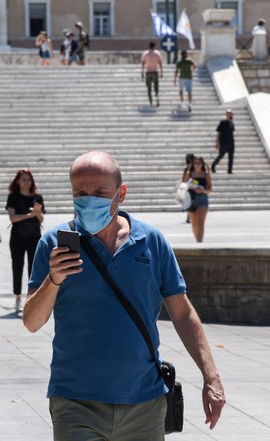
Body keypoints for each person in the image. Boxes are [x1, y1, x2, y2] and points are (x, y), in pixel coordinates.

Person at [23, 151, 225, 439]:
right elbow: (31, 321)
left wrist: (211, 377)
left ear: (121, 193)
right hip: (76, 403)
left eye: (99, 192)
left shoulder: (151, 241)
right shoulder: (53, 244)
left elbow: (182, 313)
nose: (88, 199)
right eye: (80, 192)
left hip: (144, 402)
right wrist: (53, 279)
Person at [5, 169, 45, 314]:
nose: (26, 182)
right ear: (17, 181)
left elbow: (41, 219)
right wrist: (30, 215)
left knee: (33, 267)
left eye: (28, 179)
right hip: (18, 236)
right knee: (17, 265)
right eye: (23, 179)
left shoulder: (37, 197)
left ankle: (32, 297)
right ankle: (17, 298)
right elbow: (12, 218)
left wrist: (37, 213)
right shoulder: (13, 197)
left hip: (34, 236)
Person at [183, 156, 212, 243]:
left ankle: (200, 242)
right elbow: (184, 183)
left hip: (202, 199)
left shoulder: (206, 174)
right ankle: (197, 241)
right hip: (191, 199)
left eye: (199, 163)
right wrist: (188, 170)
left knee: (200, 223)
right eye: (195, 163)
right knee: (194, 224)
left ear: (202, 164)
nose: (197, 165)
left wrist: (203, 190)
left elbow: (210, 189)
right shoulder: (190, 173)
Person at [212, 109, 235, 174]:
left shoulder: (232, 123)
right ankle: (213, 165)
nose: (229, 115)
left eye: (230, 113)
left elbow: (231, 132)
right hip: (223, 143)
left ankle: (229, 170)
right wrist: (217, 142)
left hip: (231, 143)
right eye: (228, 113)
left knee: (231, 157)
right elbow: (218, 133)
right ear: (226, 114)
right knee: (220, 156)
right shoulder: (222, 122)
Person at [141, 42, 163, 107]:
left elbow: (143, 63)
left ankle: (150, 102)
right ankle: (157, 99)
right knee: (156, 87)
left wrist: (142, 73)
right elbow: (160, 63)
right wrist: (161, 72)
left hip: (148, 72)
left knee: (149, 88)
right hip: (155, 72)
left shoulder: (145, 54)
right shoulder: (157, 53)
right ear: (154, 46)